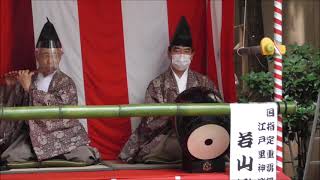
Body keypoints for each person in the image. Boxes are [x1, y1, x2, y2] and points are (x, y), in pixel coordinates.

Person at [119, 16, 221, 163]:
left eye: (186, 51)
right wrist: (176, 117)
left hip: (200, 133)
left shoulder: (204, 83)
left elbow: (217, 112)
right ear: (169, 53)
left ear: (192, 54)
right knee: (177, 146)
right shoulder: (157, 84)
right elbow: (150, 121)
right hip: (167, 136)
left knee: (208, 142)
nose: (182, 56)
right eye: (177, 50)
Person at [0, 18, 99, 165]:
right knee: (10, 157)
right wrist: (9, 87)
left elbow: (60, 107)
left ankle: (50, 156)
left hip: (63, 135)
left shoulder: (66, 82)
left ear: (60, 55)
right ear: (37, 55)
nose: (50, 60)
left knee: (86, 157)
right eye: (46, 56)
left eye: (54, 56)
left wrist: (29, 89)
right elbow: (14, 109)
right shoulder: (29, 78)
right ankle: (49, 156)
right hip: (33, 135)